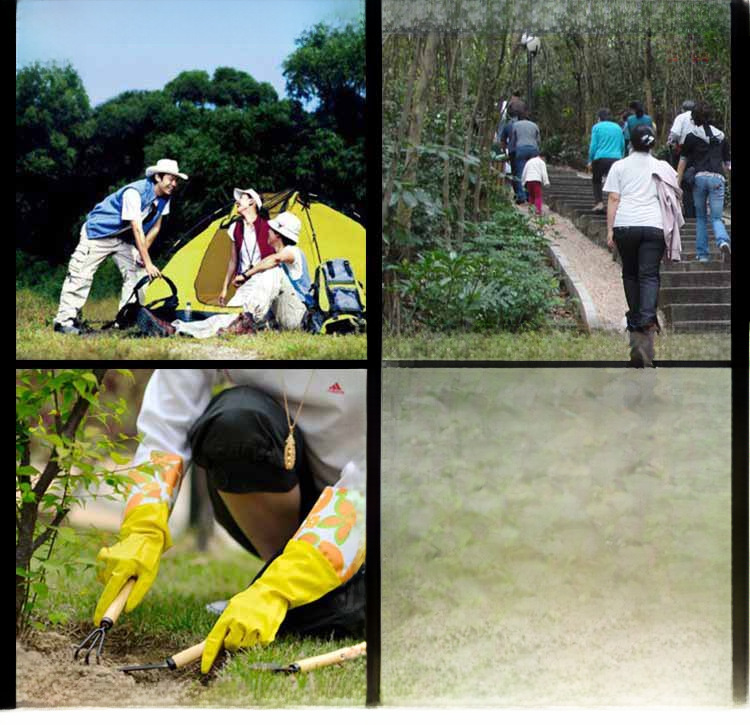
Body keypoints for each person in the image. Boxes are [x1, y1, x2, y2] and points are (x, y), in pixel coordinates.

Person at [92, 369, 366, 675]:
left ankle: (292, 591)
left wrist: (280, 589)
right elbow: (169, 416)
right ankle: (281, 575)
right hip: (284, 490)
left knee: (355, 609)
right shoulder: (229, 324)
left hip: (374, 506)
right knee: (235, 422)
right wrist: (144, 521)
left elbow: (370, 487)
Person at [53, 159, 187, 334]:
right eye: (171, 179)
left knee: (138, 275)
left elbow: (156, 226)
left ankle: (127, 319)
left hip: (123, 239)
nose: (174, 184)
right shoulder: (134, 193)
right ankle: (64, 321)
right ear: (158, 177)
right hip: (99, 233)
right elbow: (137, 228)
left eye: (176, 180)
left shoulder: (165, 197)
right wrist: (148, 261)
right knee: (81, 274)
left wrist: (142, 255)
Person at [603, 125, 683, 367]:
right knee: (649, 274)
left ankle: (637, 316)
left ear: (631, 142)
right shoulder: (662, 166)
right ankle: (647, 317)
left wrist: (610, 230)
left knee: (630, 272)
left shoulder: (619, 166)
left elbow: (614, 198)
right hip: (653, 226)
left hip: (626, 225)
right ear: (652, 143)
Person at [172, 210, 312, 338]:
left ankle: (248, 319)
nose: (267, 231)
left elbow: (274, 260)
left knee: (272, 271)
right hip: (279, 317)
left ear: (278, 234)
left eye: (271, 229)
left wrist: (246, 275)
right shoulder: (279, 257)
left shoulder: (293, 251)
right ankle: (181, 328)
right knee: (230, 318)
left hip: (297, 317)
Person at [676, 101, 731, 262]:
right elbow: (728, 163)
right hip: (718, 179)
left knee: (700, 217)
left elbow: (683, 161)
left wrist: (677, 184)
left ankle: (703, 255)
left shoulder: (692, 136)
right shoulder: (721, 136)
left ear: (694, 119)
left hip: (699, 179)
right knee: (716, 217)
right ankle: (722, 241)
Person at [219, 188, 274, 307]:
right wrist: (224, 289)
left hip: (263, 282)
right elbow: (233, 261)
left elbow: (274, 260)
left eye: (241, 198)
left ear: (252, 202)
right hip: (244, 283)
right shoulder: (235, 227)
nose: (237, 201)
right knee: (231, 314)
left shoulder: (268, 227)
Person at [586, 109, 625, 212]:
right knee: (614, 183)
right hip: (616, 158)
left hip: (600, 158)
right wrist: (622, 158)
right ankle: (614, 204)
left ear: (599, 118)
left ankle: (599, 203)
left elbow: (593, 145)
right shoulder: (618, 128)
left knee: (596, 179)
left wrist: (590, 160)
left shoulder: (597, 127)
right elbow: (622, 145)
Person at [667, 100, 696, 217]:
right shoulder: (699, 116)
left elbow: (675, 134)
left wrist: (671, 142)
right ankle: (697, 211)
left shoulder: (681, 117)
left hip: (684, 149)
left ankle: (688, 212)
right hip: (701, 151)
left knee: (684, 179)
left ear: (683, 109)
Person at [510, 111, 541, 204]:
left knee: (520, 172)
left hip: (521, 149)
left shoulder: (515, 125)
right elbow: (538, 140)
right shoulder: (535, 125)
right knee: (532, 172)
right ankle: (530, 196)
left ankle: (521, 196)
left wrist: (512, 151)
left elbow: (513, 140)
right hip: (533, 149)